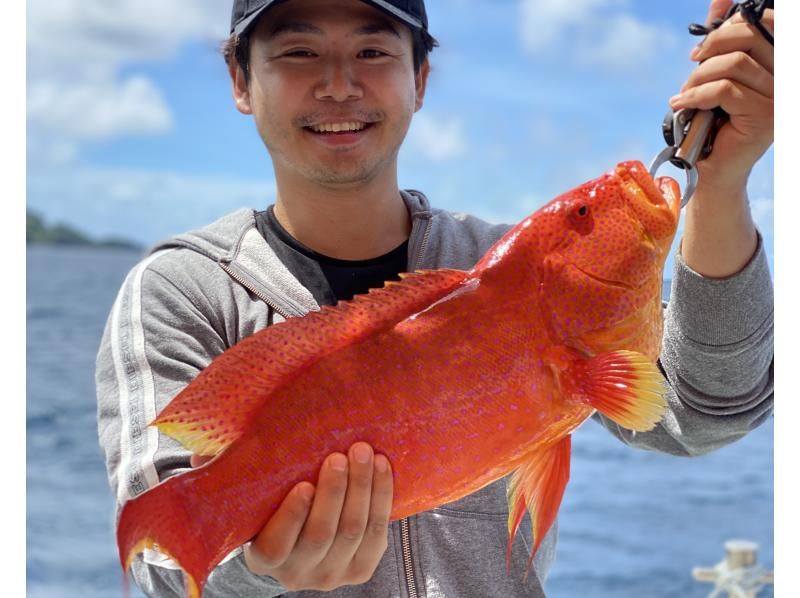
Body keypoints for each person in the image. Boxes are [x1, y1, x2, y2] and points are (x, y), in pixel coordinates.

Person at [95, 0, 774, 596]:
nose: (338, 82)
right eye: (299, 51)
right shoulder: (178, 291)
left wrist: (720, 184)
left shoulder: (505, 266)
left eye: (373, 50)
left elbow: (705, 413)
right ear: (241, 80)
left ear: (420, 79)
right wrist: (261, 567)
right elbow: (164, 568)